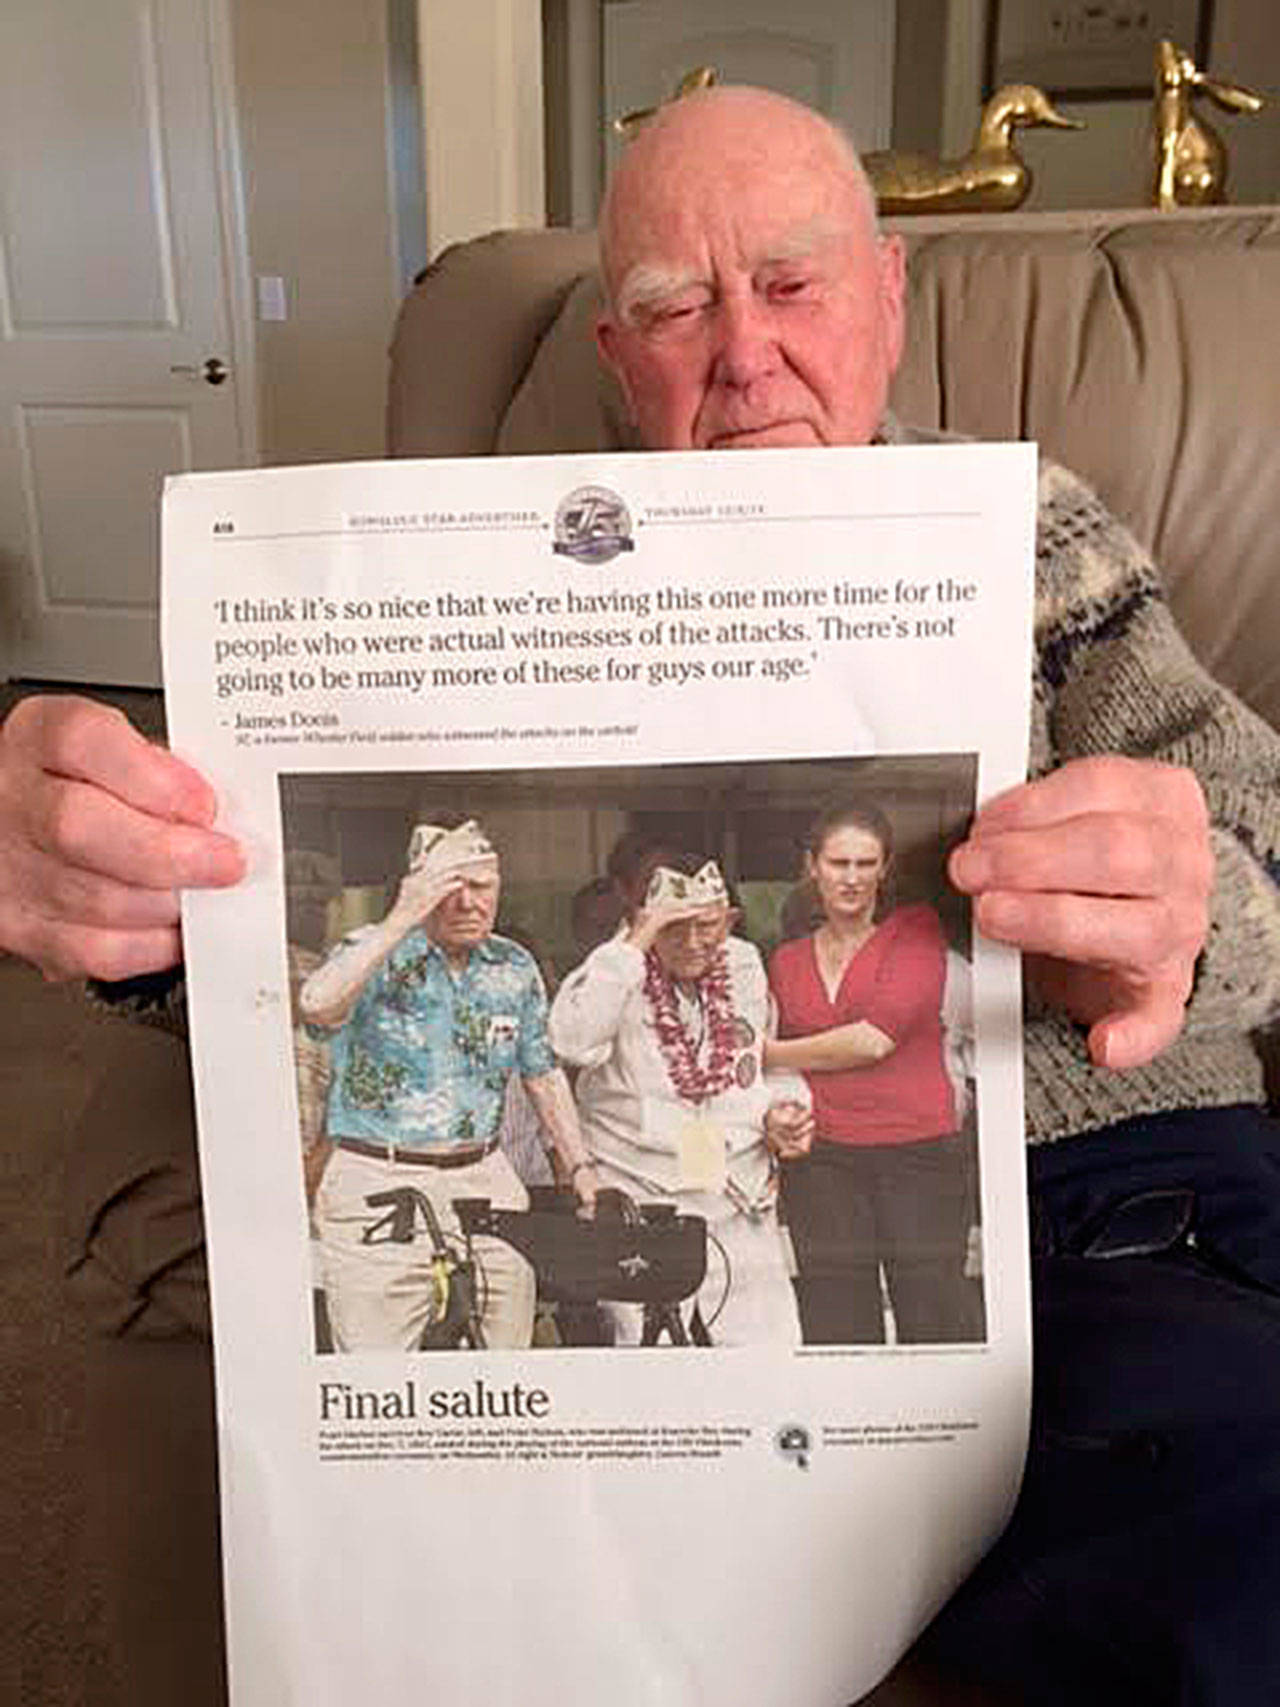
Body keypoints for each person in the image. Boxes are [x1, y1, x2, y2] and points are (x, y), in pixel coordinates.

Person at [1, 79, 1277, 1701]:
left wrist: (1188, 905)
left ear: (889, 297)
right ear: (617, 354)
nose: (744, 354)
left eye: (795, 284)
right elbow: (265, 916)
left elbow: (1259, 831)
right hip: (720, 1218)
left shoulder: (1033, 530)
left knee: (1236, 1557)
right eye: (679, 305)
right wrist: (113, 883)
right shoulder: (461, 573)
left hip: (1110, 1195)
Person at [299, 818, 596, 1351]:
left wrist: (581, 1169)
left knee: (505, 1362)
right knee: (378, 1371)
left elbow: (542, 1072)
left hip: (483, 1173)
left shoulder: (513, 964)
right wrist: (402, 917)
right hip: (378, 1175)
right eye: (448, 888)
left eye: (481, 887)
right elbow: (318, 1005)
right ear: (417, 889)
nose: (467, 902)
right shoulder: (367, 947)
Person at [549, 855, 811, 1345]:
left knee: (767, 1352)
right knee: (654, 1360)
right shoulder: (614, 966)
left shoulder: (745, 963)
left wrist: (784, 1110)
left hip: (738, 1197)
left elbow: (761, 1065)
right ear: (642, 921)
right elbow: (572, 1042)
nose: (693, 944)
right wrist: (637, 943)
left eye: (707, 927)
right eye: (675, 929)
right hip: (645, 1199)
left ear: (730, 920)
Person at [765, 800, 981, 1344]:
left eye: (866, 864)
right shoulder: (786, 961)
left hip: (920, 1156)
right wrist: (780, 1099)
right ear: (812, 865)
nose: (852, 878)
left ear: (885, 869)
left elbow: (874, 1040)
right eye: (839, 863)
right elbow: (780, 1075)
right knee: (836, 1318)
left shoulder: (915, 936)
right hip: (824, 1159)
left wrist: (769, 1053)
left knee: (931, 1312)